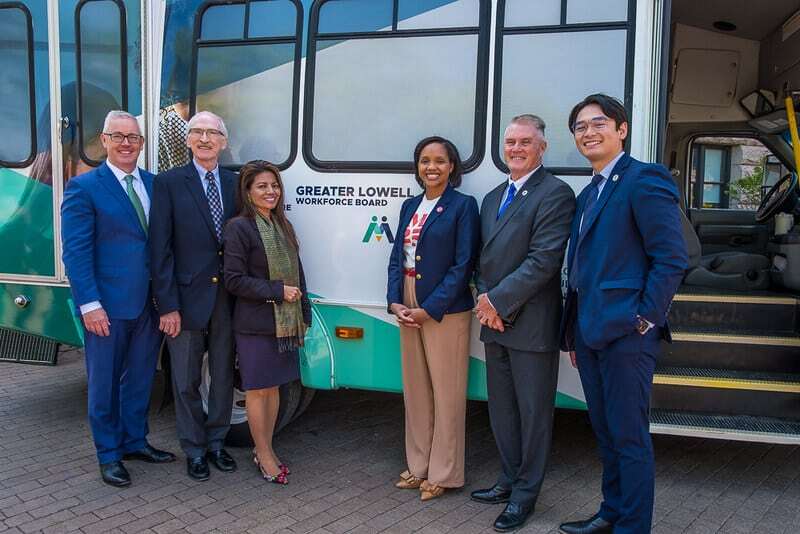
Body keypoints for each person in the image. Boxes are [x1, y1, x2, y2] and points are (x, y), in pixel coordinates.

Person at [558, 94, 688, 534]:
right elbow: (582, 270)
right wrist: (573, 333)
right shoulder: (588, 193)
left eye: (599, 123)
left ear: (622, 129)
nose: (588, 133)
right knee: (606, 432)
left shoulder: (643, 178)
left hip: (628, 334)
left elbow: (671, 257)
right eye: (580, 127)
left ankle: (632, 526)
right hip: (589, 331)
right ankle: (610, 513)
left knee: (629, 436)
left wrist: (645, 320)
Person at [471, 115, 576, 532]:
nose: (515, 149)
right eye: (510, 142)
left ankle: (525, 496)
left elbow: (544, 261)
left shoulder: (556, 193)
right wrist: (486, 302)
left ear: (542, 148)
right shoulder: (493, 197)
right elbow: (483, 259)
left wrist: (496, 302)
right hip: (494, 321)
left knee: (533, 415)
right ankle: (508, 479)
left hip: (530, 323)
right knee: (502, 411)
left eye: (525, 142)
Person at [61, 110, 175, 487]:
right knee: (105, 382)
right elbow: (76, 252)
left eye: (134, 138)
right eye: (119, 137)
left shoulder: (154, 184)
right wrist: (89, 304)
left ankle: (134, 441)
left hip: (150, 303)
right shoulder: (84, 187)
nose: (127, 144)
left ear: (142, 143)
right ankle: (108, 454)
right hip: (107, 306)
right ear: (104, 140)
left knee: (140, 378)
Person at [386, 136, 480, 501]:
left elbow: (463, 265)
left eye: (440, 161)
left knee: (447, 392)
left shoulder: (463, 206)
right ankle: (418, 465)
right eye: (425, 160)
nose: (431, 167)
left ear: (452, 166)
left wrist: (431, 307)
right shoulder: (410, 205)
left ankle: (444, 472)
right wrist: (394, 301)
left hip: (444, 308)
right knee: (416, 390)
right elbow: (397, 258)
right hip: (409, 300)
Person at [149, 110, 238, 481]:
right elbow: (160, 249)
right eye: (197, 132)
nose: (204, 139)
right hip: (184, 300)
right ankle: (194, 449)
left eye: (212, 133)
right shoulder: (168, 183)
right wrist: (167, 305)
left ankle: (217, 443)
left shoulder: (236, 183)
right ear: (187, 140)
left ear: (223, 142)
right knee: (185, 380)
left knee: (222, 374)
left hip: (227, 298)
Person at [223, 160, 311, 485]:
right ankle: (263, 454)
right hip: (255, 324)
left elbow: (298, 273)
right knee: (258, 390)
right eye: (262, 186)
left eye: (274, 186)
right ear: (248, 192)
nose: (270, 191)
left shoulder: (282, 224)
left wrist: (304, 313)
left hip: (283, 324)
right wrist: (277, 291)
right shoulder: (239, 228)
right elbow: (233, 280)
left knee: (274, 388)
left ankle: (266, 447)